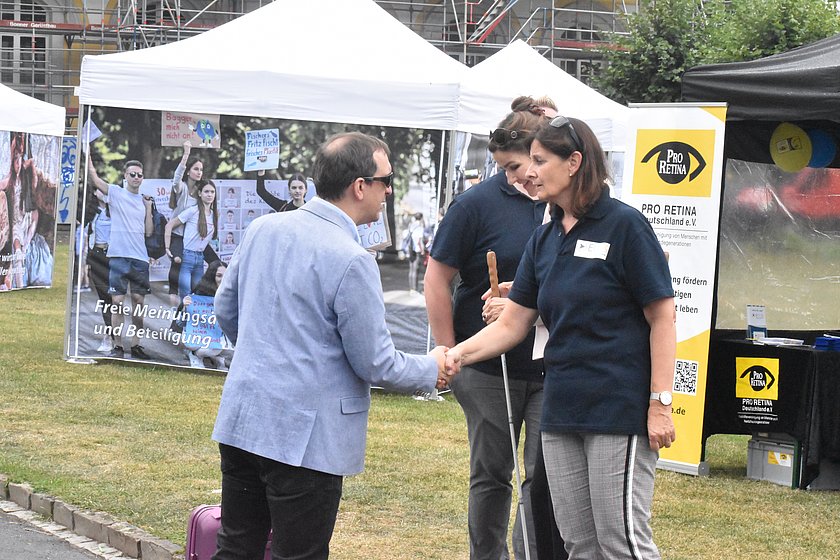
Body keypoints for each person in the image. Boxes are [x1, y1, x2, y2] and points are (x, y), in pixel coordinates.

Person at [211, 131, 453, 560]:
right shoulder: (352, 259)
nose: (390, 191)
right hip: (305, 442)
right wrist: (433, 366)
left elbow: (226, 310)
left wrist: (264, 356)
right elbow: (376, 364)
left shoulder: (263, 228)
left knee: (236, 547)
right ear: (361, 186)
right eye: (386, 180)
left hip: (244, 417)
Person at [445, 116, 676, 560]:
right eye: (528, 161)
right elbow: (511, 325)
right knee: (579, 545)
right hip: (560, 410)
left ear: (573, 162)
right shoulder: (544, 239)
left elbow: (663, 319)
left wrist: (659, 404)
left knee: (621, 543)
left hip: (617, 410)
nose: (529, 172)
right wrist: (453, 356)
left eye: (539, 160)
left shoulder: (626, 226)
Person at [424, 96, 549, 560]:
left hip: (550, 365)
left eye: (518, 165)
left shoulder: (562, 201)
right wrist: (446, 349)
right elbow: (437, 276)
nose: (516, 177)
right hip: (487, 366)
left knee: (541, 478)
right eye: (506, 168)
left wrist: (525, 298)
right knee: (494, 473)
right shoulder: (475, 204)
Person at [87, 157, 154, 360]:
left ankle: (136, 344)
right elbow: (96, 180)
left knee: (138, 302)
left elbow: (149, 232)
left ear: (143, 178)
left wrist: (149, 208)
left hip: (139, 258)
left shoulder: (144, 201)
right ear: (125, 176)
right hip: (118, 257)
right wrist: (87, 155)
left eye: (139, 175)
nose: (135, 177)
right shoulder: (116, 193)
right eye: (132, 174)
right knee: (116, 302)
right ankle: (117, 344)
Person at [164, 179, 219, 299]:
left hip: (200, 259)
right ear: (200, 193)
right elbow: (169, 225)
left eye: (212, 192)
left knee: (198, 294)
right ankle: (181, 317)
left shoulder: (214, 214)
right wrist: (168, 248)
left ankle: (190, 318)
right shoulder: (193, 211)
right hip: (186, 257)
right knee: (186, 295)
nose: (209, 195)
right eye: (206, 192)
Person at [166, 141, 204, 310]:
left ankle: (194, 309)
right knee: (177, 266)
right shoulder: (181, 189)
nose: (199, 172)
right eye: (196, 168)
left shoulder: (201, 193)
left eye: (201, 169)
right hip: (177, 237)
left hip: (193, 239)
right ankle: (176, 313)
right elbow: (176, 179)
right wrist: (186, 154)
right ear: (188, 171)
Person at [176, 259, 230, 370]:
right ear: (212, 277)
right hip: (194, 337)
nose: (222, 279)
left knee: (215, 348)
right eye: (219, 276)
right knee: (194, 345)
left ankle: (202, 356)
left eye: (225, 276)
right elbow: (179, 323)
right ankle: (196, 355)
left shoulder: (230, 296)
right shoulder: (197, 295)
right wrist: (185, 308)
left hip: (216, 338)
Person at [87, 190, 115, 353]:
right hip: (96, 256)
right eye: (99, 190)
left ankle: (114, 333)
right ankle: (109, 334)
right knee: (104, 298)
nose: (102, 192)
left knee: (115, 298)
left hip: (113, 256)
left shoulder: (116, 212)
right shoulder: (91, 213)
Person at [406, 212, 425, 293]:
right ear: (421, 218)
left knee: (411, 269)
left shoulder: (411, 225)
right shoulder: (420, 227)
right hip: (416, 250)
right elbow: (420, 241)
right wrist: (422, 250)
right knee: (415, 269)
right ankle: (415, 288)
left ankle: (411, 288)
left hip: (410, 249)